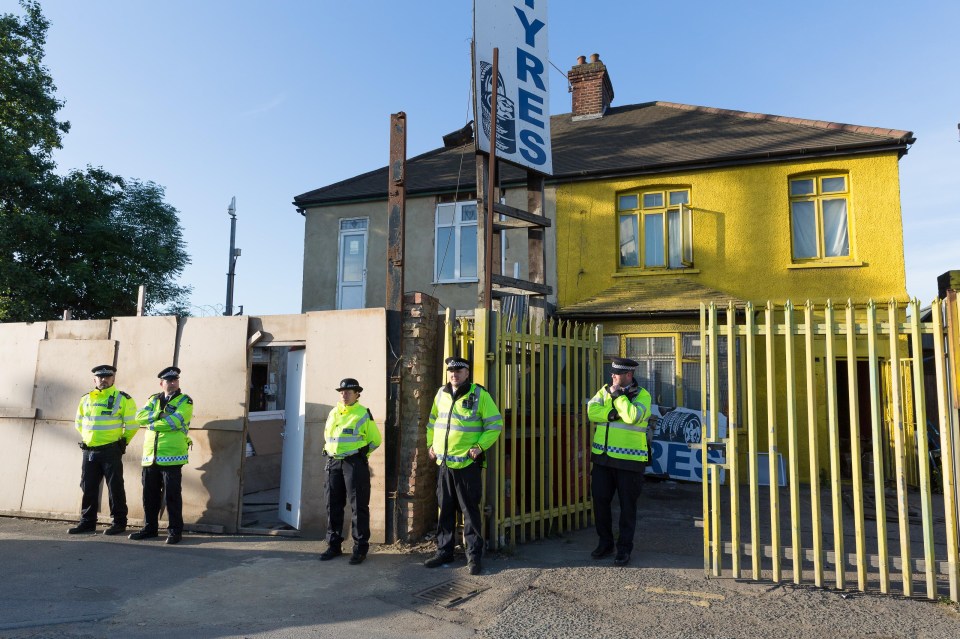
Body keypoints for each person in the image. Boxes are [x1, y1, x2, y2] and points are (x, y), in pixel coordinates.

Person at [424, 356, 503, 575]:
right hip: (444, 464)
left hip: (467, 465)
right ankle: (444, 551)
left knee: (470, 512)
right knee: (445, 510)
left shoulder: (479, 394)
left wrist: (479, 446)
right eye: (451, 371)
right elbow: (432, 422)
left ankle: (474, 557)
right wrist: (430, 444)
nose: (454, 374)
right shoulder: (441, 394)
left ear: (467, 373)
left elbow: (495, 424)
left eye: (459, 371)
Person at [587, 357, 652, 566]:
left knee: (627, 507)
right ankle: (605, 543)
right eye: (612, 373)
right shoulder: (605, 390)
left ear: (628, 375)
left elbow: (633, 416)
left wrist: (618, 397)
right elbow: (591, 411)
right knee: (600, 501)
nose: (612, 376)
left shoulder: (642, 396)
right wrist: (613, 413)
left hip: (630, 461)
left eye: (617, 374)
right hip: (603, 458)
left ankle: (624, 549)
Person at [69, 364, 139, 535]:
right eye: (100, 377)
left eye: (107, 377)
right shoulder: (85, 399)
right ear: (95, 379)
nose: (103, 380)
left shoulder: (123, 399)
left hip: (110, 450)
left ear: (113, 379)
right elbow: (79, 422)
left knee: (115, 487)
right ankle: (87, 522)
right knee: (88, 486)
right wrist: (89, 438)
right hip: (89, 450)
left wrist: (122, 443)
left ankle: (119, 522)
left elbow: (133, 424)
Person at [318, 378, 382, 565]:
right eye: (342, 392)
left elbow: (375, 440)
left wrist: (361, 455)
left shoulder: (362, 413)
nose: (344, 395)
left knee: (358, 506)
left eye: (348, 392)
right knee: (332, 505)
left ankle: (360, 548)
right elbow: (328, 436)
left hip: (353, 464)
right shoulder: (333, 413)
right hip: (333, 463)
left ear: (357, 394)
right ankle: (333, 545)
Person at [129, 366, 193, 545]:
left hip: (172, 456)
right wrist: (159, 414)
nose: (172, 383)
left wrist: (152, 423)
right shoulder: (153, 399)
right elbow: (139, 417)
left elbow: (176, 421)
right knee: (149, 495)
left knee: (172, 496)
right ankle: (150, 528)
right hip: (150, 456)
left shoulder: (185, 401)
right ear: (161, 383)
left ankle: (175, 531)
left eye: (175, 380)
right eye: (169, 381)